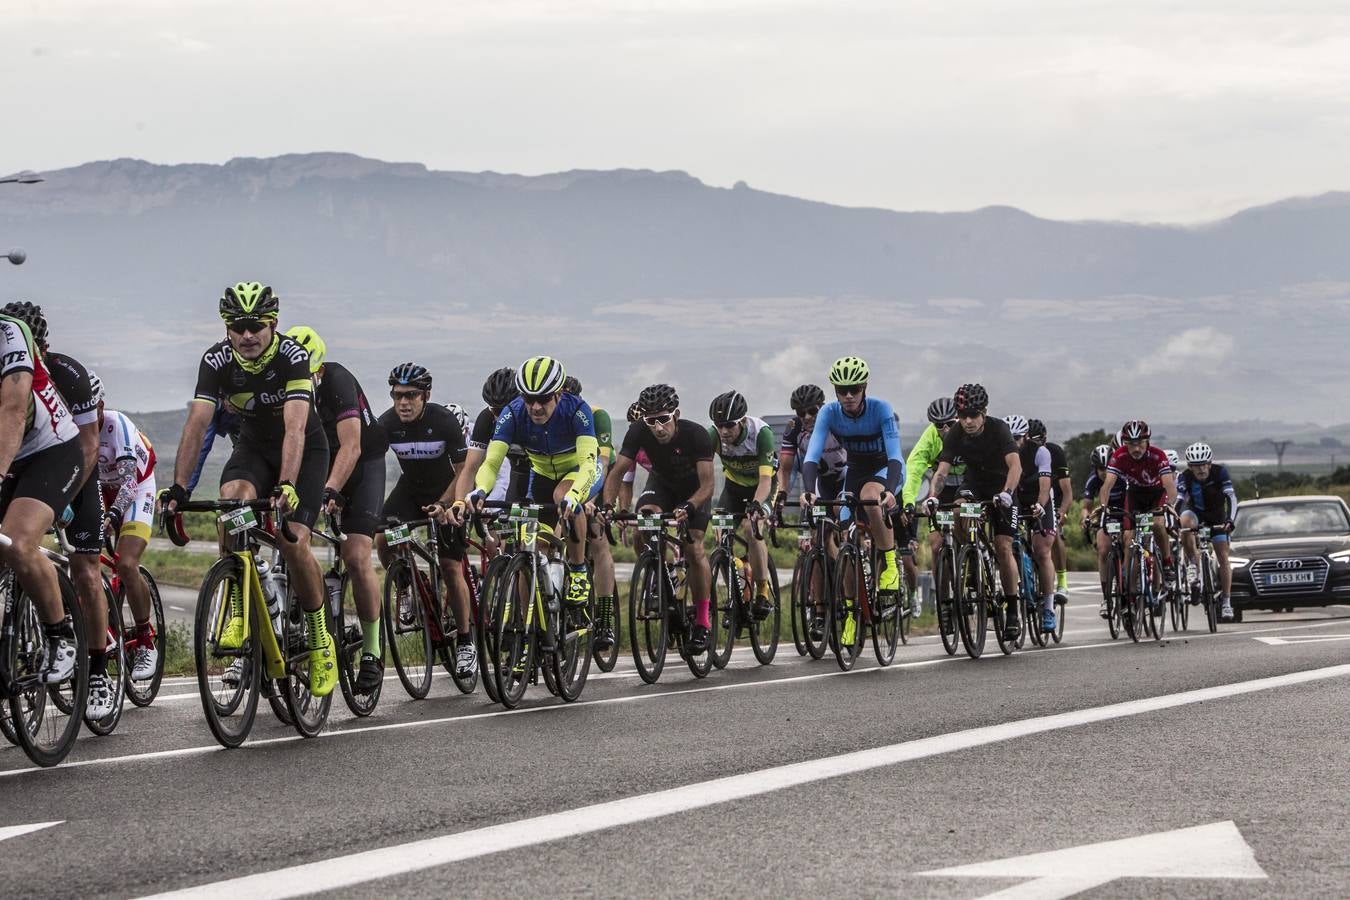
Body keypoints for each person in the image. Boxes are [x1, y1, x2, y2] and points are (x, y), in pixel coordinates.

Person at [160, 282, 336, 698]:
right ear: (227, 329)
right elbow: (197, 424)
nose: (247, 335)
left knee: (293, 542)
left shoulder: (293, 357)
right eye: (238, 327)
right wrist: (179, 488)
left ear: (272, 324)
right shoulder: (216, 360)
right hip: (254, 446)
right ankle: (240, 603)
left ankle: (318, 638)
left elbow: (295, 427)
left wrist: (288, 485)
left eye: (255, 325)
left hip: (303, 449)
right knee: (232, 503)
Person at [2, 301, 110, 716]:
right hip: (12, 461)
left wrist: (62, 500)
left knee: (82, 567)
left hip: (63, 457)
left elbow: (88, 446)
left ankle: (91, 664)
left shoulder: (68, 374)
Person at [285, 327, 389, 693]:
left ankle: (374, 651)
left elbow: (352, 447)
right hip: (319, 461)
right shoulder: (288, 383)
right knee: (292, 539)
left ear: (319, 369)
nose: (307, 381)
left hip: (361, 465)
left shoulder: (338, 380)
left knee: (356, 554)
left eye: (311, 374)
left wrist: (331, 489)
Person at [465, 357, 602, 611]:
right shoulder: (513, 412)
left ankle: (579, 569)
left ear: (559, 393)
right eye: (529, 399)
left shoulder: (576, 410)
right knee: (534, 548)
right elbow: (492, 462)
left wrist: (574, 495)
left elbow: (588, 463)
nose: (535, 407)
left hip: (578, 471)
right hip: (540, 474)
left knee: (563, 496)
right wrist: (480, 489)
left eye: (544, 399)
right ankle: (533, 626)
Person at [0, 308, 84, 686]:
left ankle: (59, 635)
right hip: (9, 453)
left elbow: (14, 412)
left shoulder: (10, 333)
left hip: (51, 450)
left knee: (17, 544)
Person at [599, 383, 715, 652]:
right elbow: (618, 473)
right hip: (662, 484)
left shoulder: (695, 434)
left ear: (676, 414)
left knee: (694, 547)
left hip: (694, 490)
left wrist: (690, 505)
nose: (658, 427)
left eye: (663, 419)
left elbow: (708, 485)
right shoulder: (639, 430)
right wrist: (607, 505)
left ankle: (702, 622)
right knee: (643, 523)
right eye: (651, 421)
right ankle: (657, 574)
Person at [377, 363, 476, 678]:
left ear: (426, 395)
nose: (403, 402)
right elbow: (365, 462)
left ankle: (465, 642)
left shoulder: (443, 421)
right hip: (410, 491)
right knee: (382, 538)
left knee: (450, 567)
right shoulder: (387, 424)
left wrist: (447, 502)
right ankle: (406, 586)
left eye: (411, 395)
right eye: (397, 396)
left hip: (446, 490)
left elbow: (463, 472)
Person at [800, 356, 904, 647]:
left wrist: (891, 490)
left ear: (864, 387)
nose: (848, 395)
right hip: (855, 471)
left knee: (871, 497)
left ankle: (890, 566)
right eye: (841, 389)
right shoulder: (830, 413)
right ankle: (850, 615)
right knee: (846, 539)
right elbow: (811, 456)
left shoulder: (881, 409)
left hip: (886, 468)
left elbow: (895, 454)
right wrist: (809, 490)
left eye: (854, 389)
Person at [922, 384, 1023, 641]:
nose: (967, 421)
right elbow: (942, 471)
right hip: (975, 485)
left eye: (973, 415)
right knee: (956, 511)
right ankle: (971, 557)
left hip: (1003, 486)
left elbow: (1015, 466)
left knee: (1003, 546)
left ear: (984, 412)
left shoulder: (999, 429)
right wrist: (933, 496)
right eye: (963, 415)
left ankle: (1012, 610)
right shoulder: (955, 432)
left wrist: (1008, 492)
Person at [92, 374, 161, 683]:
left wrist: (113, 515)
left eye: (87, 408)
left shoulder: (114, 423)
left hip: (138, 487)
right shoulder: (70, 429)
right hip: (103, 490)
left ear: (100, 406)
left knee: (126, 562)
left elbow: (130, 481)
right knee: (82, 563)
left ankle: (146, 640)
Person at [707, 390, 776, 619]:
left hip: (762, 487)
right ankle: (734, 594)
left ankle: (762, 593)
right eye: (719, 426)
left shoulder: (761, 434)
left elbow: (766, 479)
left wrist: (757, 505)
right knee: (721, 539)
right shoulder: (713, 436)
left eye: (729, 425)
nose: (724, 431)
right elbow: (700, 472)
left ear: (743, 421)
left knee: (750, 527)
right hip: (734, 488)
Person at [1096, 419, 1179, 611]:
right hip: (1135, 495)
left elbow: (1169, 486)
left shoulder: (1158, 456)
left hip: (1157, 494)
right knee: (1128, 539)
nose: (1136, 448)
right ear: (1125, 443)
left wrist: (1168, 505)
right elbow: (1107, 485)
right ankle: (1130, 595)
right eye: (1131, 444)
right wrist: (1103, 506)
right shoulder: (1119, 455)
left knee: (1158, 524)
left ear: (1147, 441)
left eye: (1140, 443)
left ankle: (1166, 564)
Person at [563, 375, 619, 651]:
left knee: (597, 539)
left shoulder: (596, 416)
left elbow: (602, 463)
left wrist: (592, 500)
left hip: (598, 482)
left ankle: (606, 617)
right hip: (568, 479)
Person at [902, 397, 963, 628]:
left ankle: (972, 568)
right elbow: (914, 470)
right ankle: (944, 603)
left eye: (950, 423)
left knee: (965, 522)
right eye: (940, 425)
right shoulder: (929, 439)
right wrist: (909, 502)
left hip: (968, 486)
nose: (945, 429)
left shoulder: (966, 432)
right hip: (942, 489)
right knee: (937, 546)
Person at [1006, 415, 1057, 633]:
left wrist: (1040, 505)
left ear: (1025, 437)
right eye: (1010, 438)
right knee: (1008, 545)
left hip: (1038, 498)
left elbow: (1045, 485)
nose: (1013, 443)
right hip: (1017, 499)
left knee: (1042, 551)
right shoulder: (1003, 452)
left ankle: (1048, 607)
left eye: (1017, 438)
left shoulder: (1040, 452)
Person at [1177, 442, 1237, 621]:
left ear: (1210, 464)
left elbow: (1231, 498)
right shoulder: (1185, 477)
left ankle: (1226, 602)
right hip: (1196, 514)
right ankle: (1193, 565)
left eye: (1204, 464)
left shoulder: (1220, 473)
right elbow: (1179, 501)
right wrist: (1173, 522)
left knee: (1223, 558)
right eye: (1196, 466)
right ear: (1190, 466)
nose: (1201, 469)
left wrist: (1230, 520)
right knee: (1184, 522)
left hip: (1218, 518)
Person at [1027, 418, 1072, 604]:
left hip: (1054, 496)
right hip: (1029, 495)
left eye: (1038, 441)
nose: (1034, 445)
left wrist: (1061, 512)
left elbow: (1068, 492)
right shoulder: (1019, 453)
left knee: (1055, 536)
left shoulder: (1054, 452)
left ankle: (1062, 581)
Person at [1082, 443, 1127, 617]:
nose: (1104, 472)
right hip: (1106, 515)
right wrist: (1085, 518)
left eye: (1107, 467)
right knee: (1102, 549)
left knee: (1128, 543)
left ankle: (1129, 580)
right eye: (1100, 468)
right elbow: (1086, 505)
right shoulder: (1093, 479)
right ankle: (1107, 597)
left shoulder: (1122, 477)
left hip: (1125, 512)